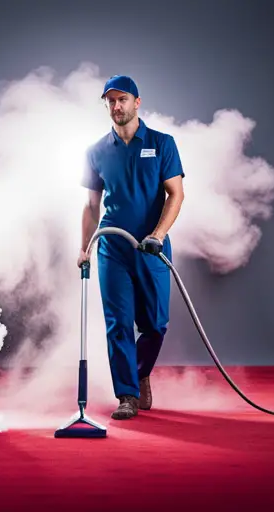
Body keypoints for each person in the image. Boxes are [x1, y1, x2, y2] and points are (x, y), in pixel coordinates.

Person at [78, 75, 185, 420]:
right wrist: (84, 248)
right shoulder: (96, 152)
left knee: (155, 324)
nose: (116, 106)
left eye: (122, 99)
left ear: (137, 102)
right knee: (118, 324)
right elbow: (92, 206)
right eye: (110, 101)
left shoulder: (162, 143)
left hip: (151, 246)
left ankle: (140, 372)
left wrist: (159, 234)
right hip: (113, 248)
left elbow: (176, 194)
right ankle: (127, 395)